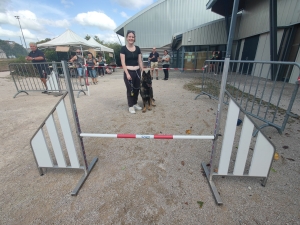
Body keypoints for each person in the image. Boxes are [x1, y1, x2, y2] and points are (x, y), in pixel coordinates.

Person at [120, 30, 143, 114]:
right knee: (130, 89)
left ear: (134, 38)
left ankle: (135, 103)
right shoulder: (123, 49)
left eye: (132, 37)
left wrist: (142, 71)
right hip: (128, 71)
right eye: (129, 36)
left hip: (137, 71)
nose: (131, 38)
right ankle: (130, 106)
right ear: (127, 38)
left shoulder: (138, 48)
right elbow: (123, 62)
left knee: (137, 88)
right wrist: (127, 73)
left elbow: (140, 61)